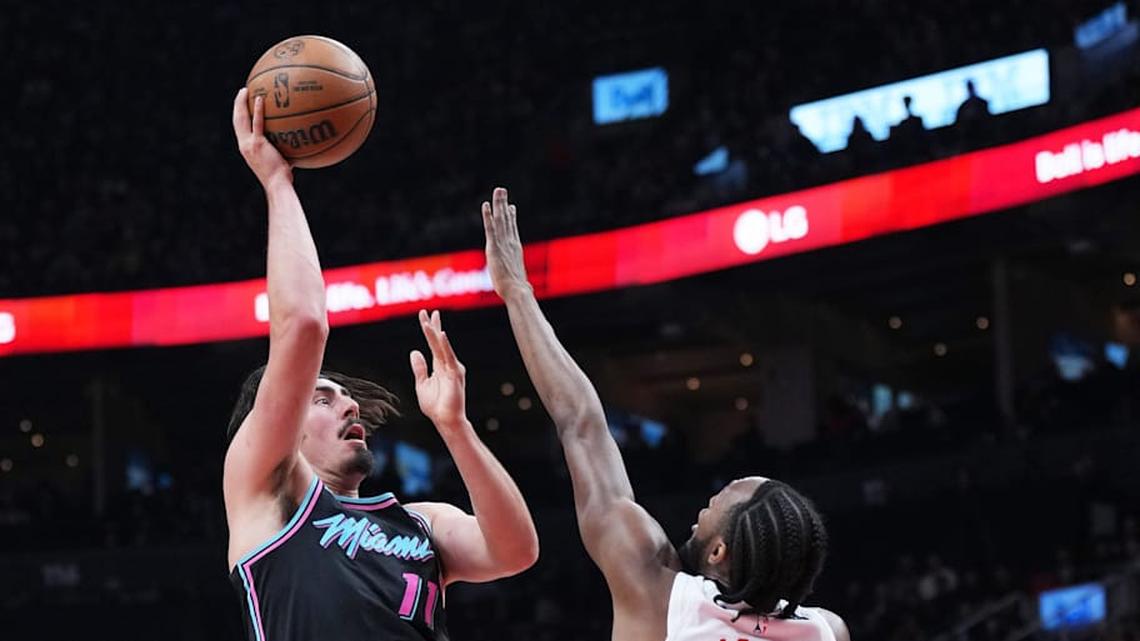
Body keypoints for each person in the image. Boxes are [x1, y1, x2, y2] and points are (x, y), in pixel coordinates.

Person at [223, 90, 538, 641]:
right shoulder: (266, 495)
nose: (347, 402)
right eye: (321, 397)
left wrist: (455, 429)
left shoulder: (421, 522)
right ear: (281, 426)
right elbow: (302, 326)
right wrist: (277, 184)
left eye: (341, 395)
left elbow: (515, 552)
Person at [481, 187, 848, 641]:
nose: (705, 505)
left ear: (718, 551)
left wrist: (517, 292)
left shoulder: (658, 594)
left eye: (720, 501)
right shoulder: (826, 631)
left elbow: (581, 423)